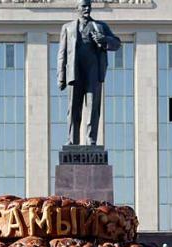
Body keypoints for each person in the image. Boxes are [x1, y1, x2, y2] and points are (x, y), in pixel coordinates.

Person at [57, 0, 121, 145]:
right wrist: (61, 77)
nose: (87, 9)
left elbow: (117, 43)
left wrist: (104, 39)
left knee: (93, 107)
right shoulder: (67, 28)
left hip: (93, 71)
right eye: (84, 6)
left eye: (89, 6)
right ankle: (72, 141)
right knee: (73, 108)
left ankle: (91, 139)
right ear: (77, 8)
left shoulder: (100, 26)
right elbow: (62, 53)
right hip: (75, 72)